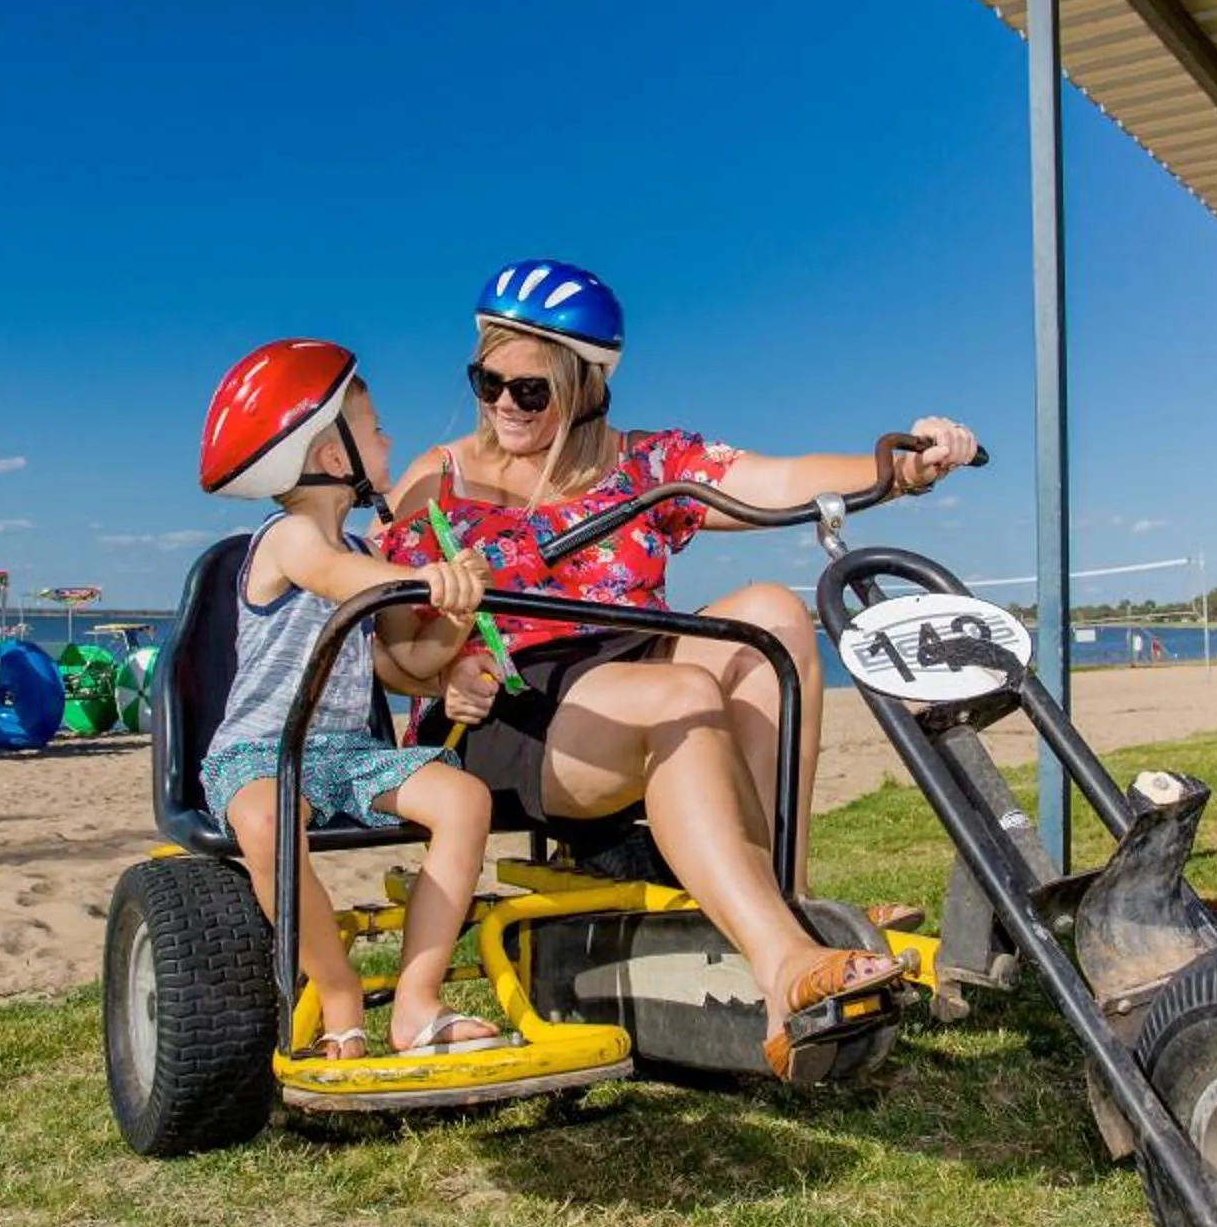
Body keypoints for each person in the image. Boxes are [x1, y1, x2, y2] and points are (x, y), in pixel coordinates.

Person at [376, 260, 979, 1079]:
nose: (504, 408)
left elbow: (784, 479)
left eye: (531, 391)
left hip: (628, 666)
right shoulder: (436, 481)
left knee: (770, 612)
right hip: (505, 710)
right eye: (489, 382)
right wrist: (441, 675)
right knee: (680, 692)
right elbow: (390, 648)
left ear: (588, 386)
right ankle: (782, 965)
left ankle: (784, 903)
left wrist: (901, 468)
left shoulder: (648, 464)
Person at [195, 338, 510, 1059]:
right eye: (373, 430)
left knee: (464, 801)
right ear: (335, 456)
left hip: (348, 754)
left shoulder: (373, 557)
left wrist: (457, 613)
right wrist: (426, 577)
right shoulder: (288, 539)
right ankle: (337, 989)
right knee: (269, 820)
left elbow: (407, 659)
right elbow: (334, 579)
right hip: (262, 754)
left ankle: (415, 1004)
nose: (388, 439)